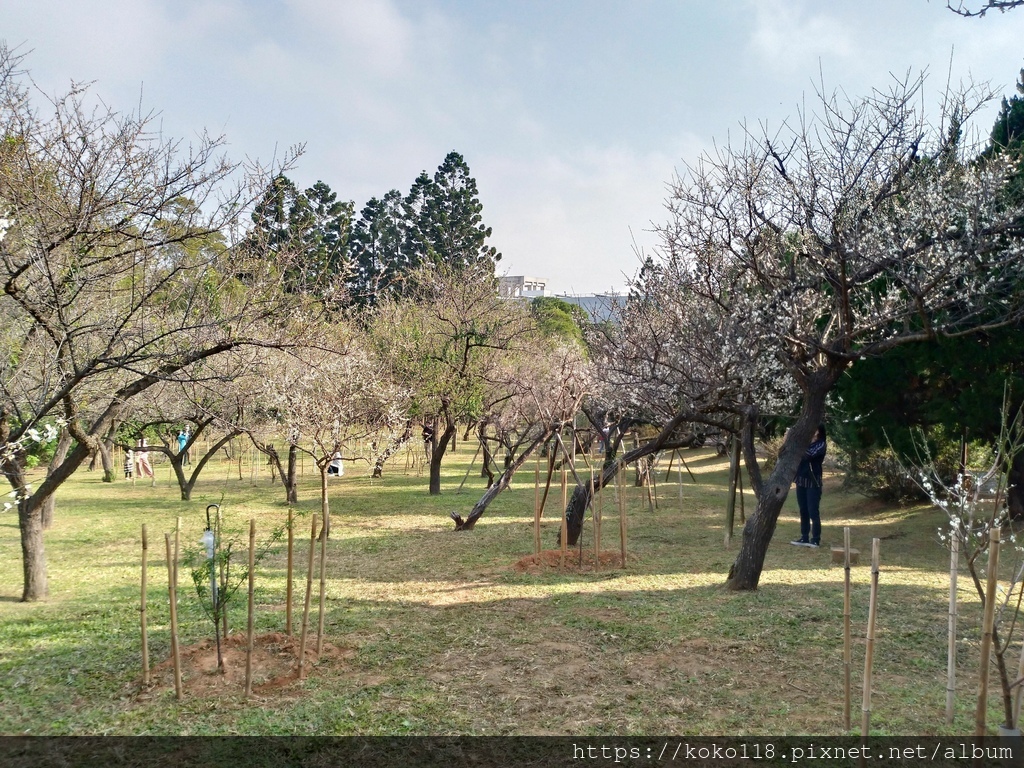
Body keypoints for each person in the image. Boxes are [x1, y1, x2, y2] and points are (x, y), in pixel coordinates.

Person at [790, 424, 827, 548]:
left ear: (818, 432)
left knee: (813, 511)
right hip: (801, 481)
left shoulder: (821, 444)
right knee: (803, 510)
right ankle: (804, 537)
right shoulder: (805, 442)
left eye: (815, 429)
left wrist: (797, 443)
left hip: (813, 482)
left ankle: (815, 539)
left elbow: (809, 455)